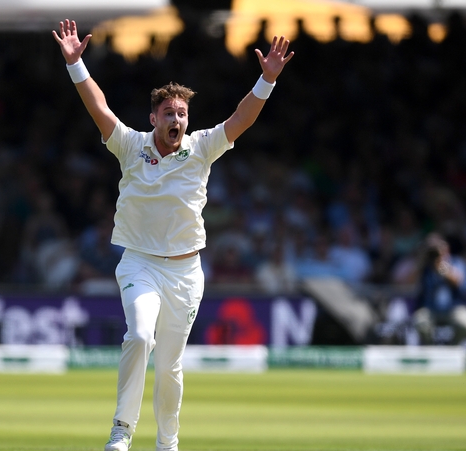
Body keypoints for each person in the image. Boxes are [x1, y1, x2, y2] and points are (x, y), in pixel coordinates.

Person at [52, 19, 294, 451]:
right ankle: (122, 430)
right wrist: (76, 65)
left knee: (169, 367)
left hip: (186, 272)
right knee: (140, 335)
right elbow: (100, 108)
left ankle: (168, 443)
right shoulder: (130, 145)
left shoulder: (201, 147)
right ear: (154, 118)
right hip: (139, 263)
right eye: (169, 113)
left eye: (182, 114)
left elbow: (241, 119)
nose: (177, 119)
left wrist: (267, 80)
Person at [412, 233, 466, 345]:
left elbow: (458, 281)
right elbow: (410, 283)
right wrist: (421, 261)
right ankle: (430, 349)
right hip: (431, 309)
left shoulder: (456, 261)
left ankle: (452, 347)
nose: (435, 253)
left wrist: (441, 265)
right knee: (420, 321)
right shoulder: (425, 267)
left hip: (453, 308)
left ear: (446, 248)